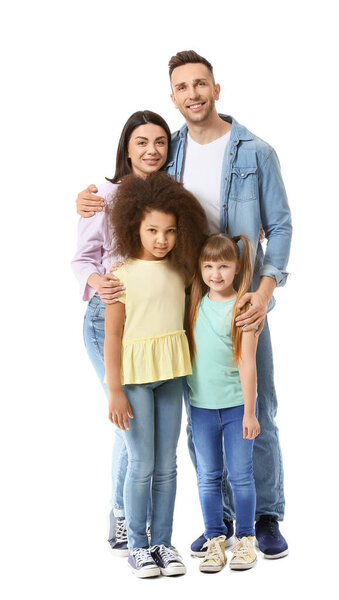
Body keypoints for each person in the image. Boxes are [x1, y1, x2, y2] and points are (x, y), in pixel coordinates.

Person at [76, 50, 292, 559]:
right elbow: (128, 186)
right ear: (173, 97)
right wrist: (90, 200)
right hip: (187, 299)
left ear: (216, 89)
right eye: (182, 87)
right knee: (199, 405)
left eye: (201, 84)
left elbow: (279, 226)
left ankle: (264, 515)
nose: (192, 94)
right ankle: (214, 522)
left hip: (240, 299)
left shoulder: (254, 151)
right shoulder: (168, 150)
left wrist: (263, 292)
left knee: (253, 402)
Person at [71, 110, 173, 556]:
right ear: (126, 147)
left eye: (160, 142)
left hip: (156, 323)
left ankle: (125, 515)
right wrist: (99, 282)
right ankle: (124, 517)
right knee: (127, 419)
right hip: (108, 317)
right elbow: (82, 259)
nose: (151, 150)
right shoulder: (102, 196)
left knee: (134, 428)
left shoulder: (172, 194)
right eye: (141, 142)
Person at [104, 171, 207, 577]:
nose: (161, 239)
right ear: (135, 227)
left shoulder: (182, 273)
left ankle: (163, 542)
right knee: (141, 460)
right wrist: (114, 390)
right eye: (152, 230)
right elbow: (112, 335)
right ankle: (137, 546)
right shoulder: (121, 276)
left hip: (172, 374)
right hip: (133, 379)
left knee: (167, 462)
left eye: (169, 231)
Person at [186, 233, 260, 573]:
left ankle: (245, 538)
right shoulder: (194, 301)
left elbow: (247, 362)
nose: (216, 273)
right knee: (208, 476)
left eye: (224, 266)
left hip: (235, 408)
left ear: (237, 267)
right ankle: (215, 538)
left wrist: (249, 411)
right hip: (201, 407)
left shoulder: (242, 307)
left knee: (241, 477)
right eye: (209, 265)